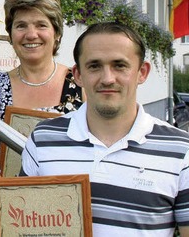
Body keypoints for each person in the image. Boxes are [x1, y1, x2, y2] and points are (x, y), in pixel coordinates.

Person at [21, 22, 189, 235]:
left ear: (142, 72)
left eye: (120, 65)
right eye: (94, 66)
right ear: (78, 75)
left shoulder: (181, 151)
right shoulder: (43, 139)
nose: (108, 78)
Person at [0, 0, 84, 122]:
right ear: (10, 34)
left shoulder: (81, 84)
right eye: (21, 26)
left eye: (41, 25)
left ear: (57, 33)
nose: (31, 35)